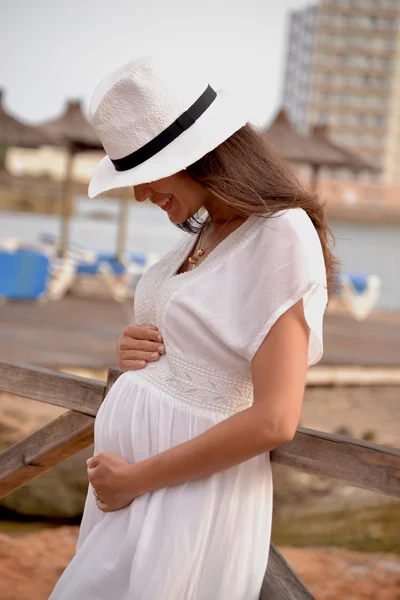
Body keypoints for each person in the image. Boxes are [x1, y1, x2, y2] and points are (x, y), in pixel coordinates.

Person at [49, 51, 338, 600]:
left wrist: (137, 479)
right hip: (137, 493)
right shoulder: (204, 232)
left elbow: (276, 419)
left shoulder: (282, 234)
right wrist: (139, 345)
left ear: (200, 157)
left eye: (144, 174)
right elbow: (204, 336)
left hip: (184, 496)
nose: (137, 194)